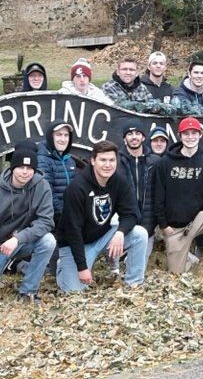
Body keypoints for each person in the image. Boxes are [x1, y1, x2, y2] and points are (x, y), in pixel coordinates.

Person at [57, 140, 149, 291]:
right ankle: (63, 269)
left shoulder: (119, 182)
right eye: (103, 160)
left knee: (140, 234)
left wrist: (120, 232)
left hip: (102, 236)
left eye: (111, 160)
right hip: (76, 243)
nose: (107, 165)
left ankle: (134, 283)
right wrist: (81, 267)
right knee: (73, 291)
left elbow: (132, 214)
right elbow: (73, 231)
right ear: (93, 161)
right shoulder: (76, 188)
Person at [153, 117, 203, 276]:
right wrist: (163, 225)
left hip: (198, 220)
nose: (190, 137)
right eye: (186, 133)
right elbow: (158, 197)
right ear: (180, 136)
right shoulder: (164, 163)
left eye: (194, 133)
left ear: (200, 135)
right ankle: (187, 257)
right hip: (175, 228)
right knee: (176, 273)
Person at [0, 142, 56, 302]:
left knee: (48, 241)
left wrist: (17, 239)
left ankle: (27, 292)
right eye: (20, 167)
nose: (25, 172)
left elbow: (46, 221)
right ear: (12, 168)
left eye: (29, 168)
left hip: (21, 242)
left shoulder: (42, 186)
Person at [38, 119, 83, 224]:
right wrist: (67, 215)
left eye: (66, 135)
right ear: (51, 136)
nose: (63, 139)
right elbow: (49, 195)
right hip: (53, 220)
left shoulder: (70, 161)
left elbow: (78, 190)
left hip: (71, 216)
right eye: (59, 135)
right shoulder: (42, 160)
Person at [118, 121, 156, 236]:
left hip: (148, 225)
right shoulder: (115, 162)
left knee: (144, 255)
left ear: (143, 137)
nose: (134, 137)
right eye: (130, 134)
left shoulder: (155, 162)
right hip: (122, 225)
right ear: (124, 138)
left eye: (137, 133)